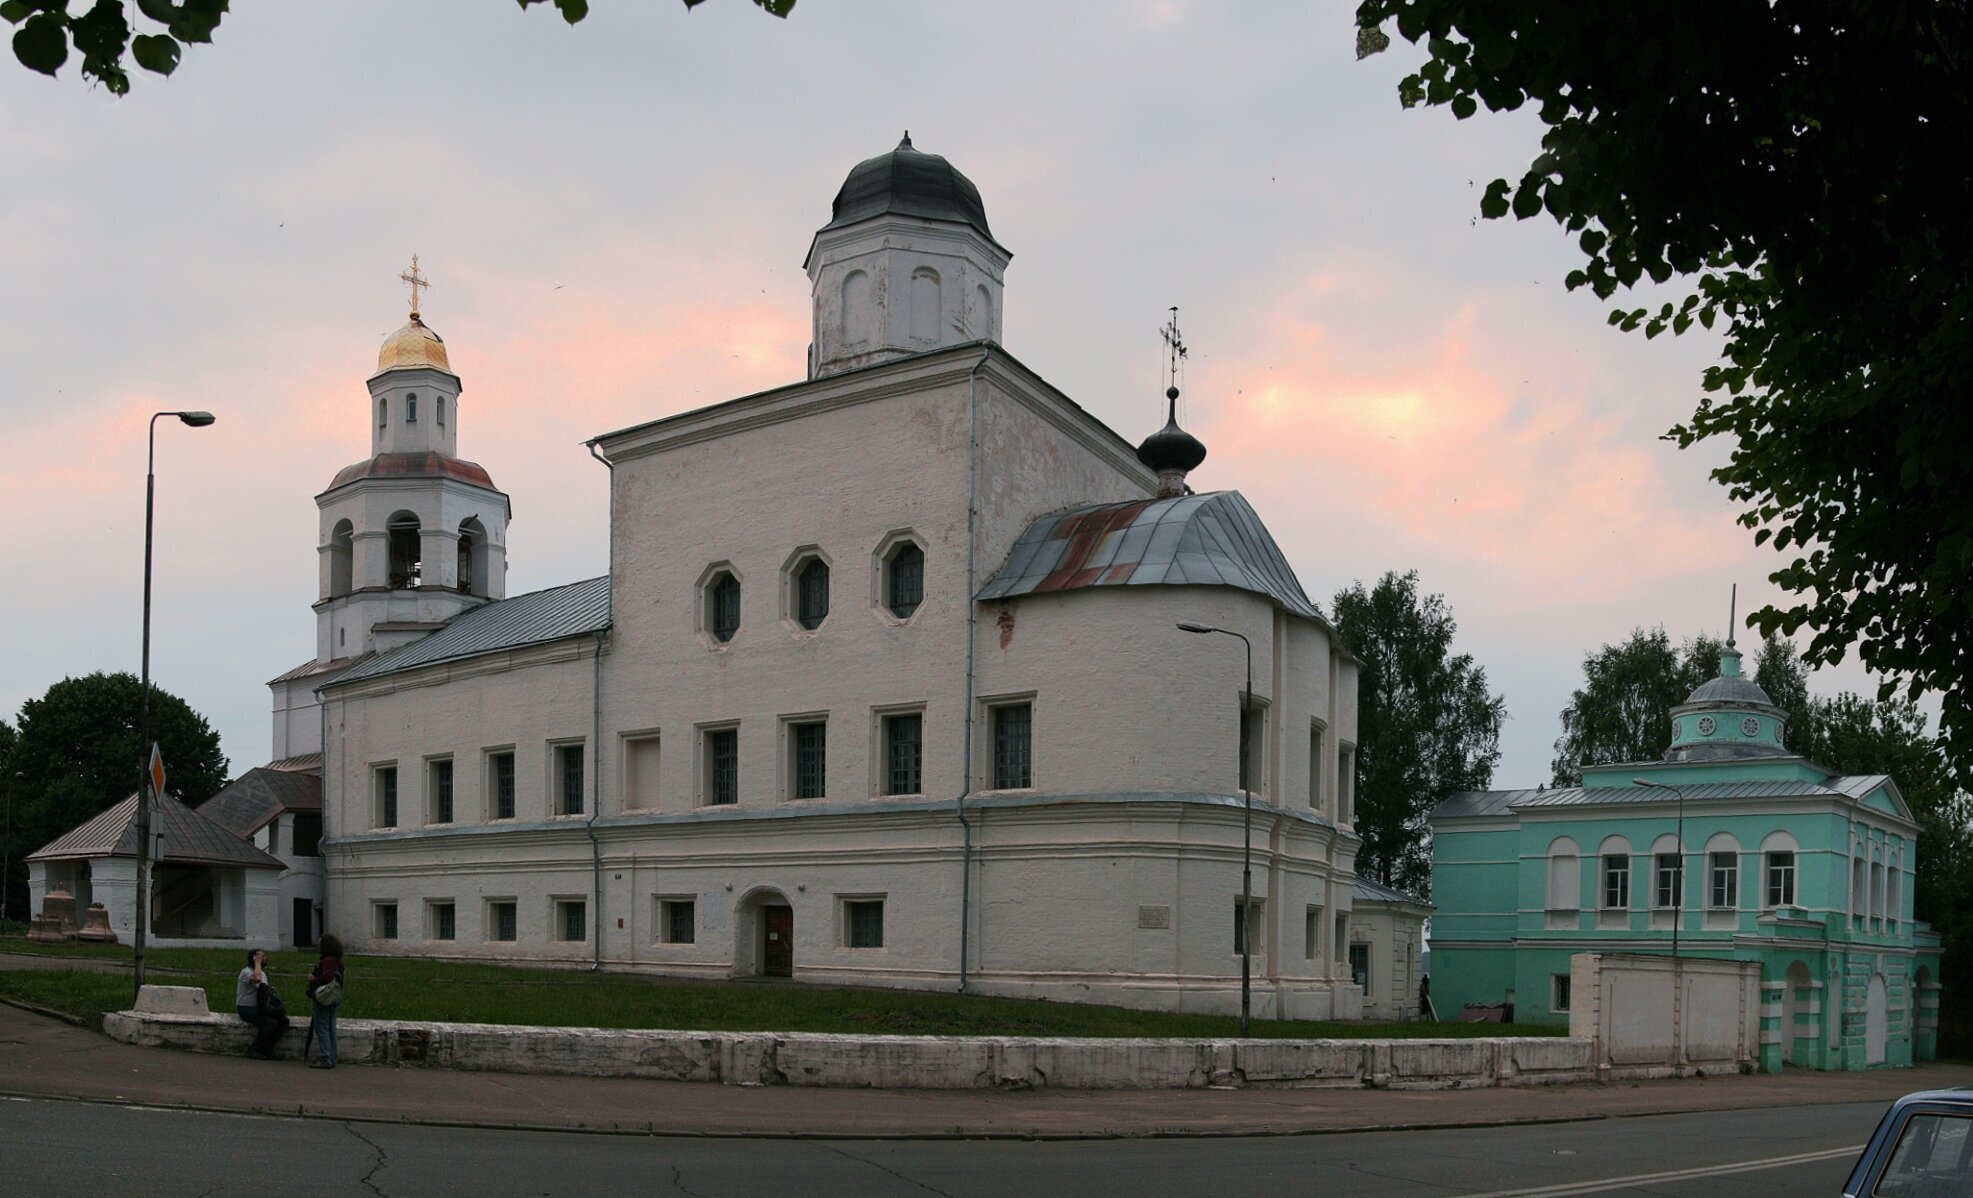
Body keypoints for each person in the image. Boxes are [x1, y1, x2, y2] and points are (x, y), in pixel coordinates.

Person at [234, 948, 288, 1059]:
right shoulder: (246, 972)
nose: (266, 958)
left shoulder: (262, 973)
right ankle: (255, 1049)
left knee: (284, 1021)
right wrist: (257, 962)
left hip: (259, 1007)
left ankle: (268, 1048)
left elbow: (262, 989)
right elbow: (257, 979)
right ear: (254, 959)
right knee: (270, 1023)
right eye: (262, 957)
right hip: (246, 1008)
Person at [305, 933, 346, 1069]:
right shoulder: (338, 961)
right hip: (334, 994)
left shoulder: (327, 960)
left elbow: (327, 976)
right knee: (331, 1027)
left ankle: (325, 1057)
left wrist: (313, 980)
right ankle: (332, 1057)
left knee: (321, 1027)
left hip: (324, 995)